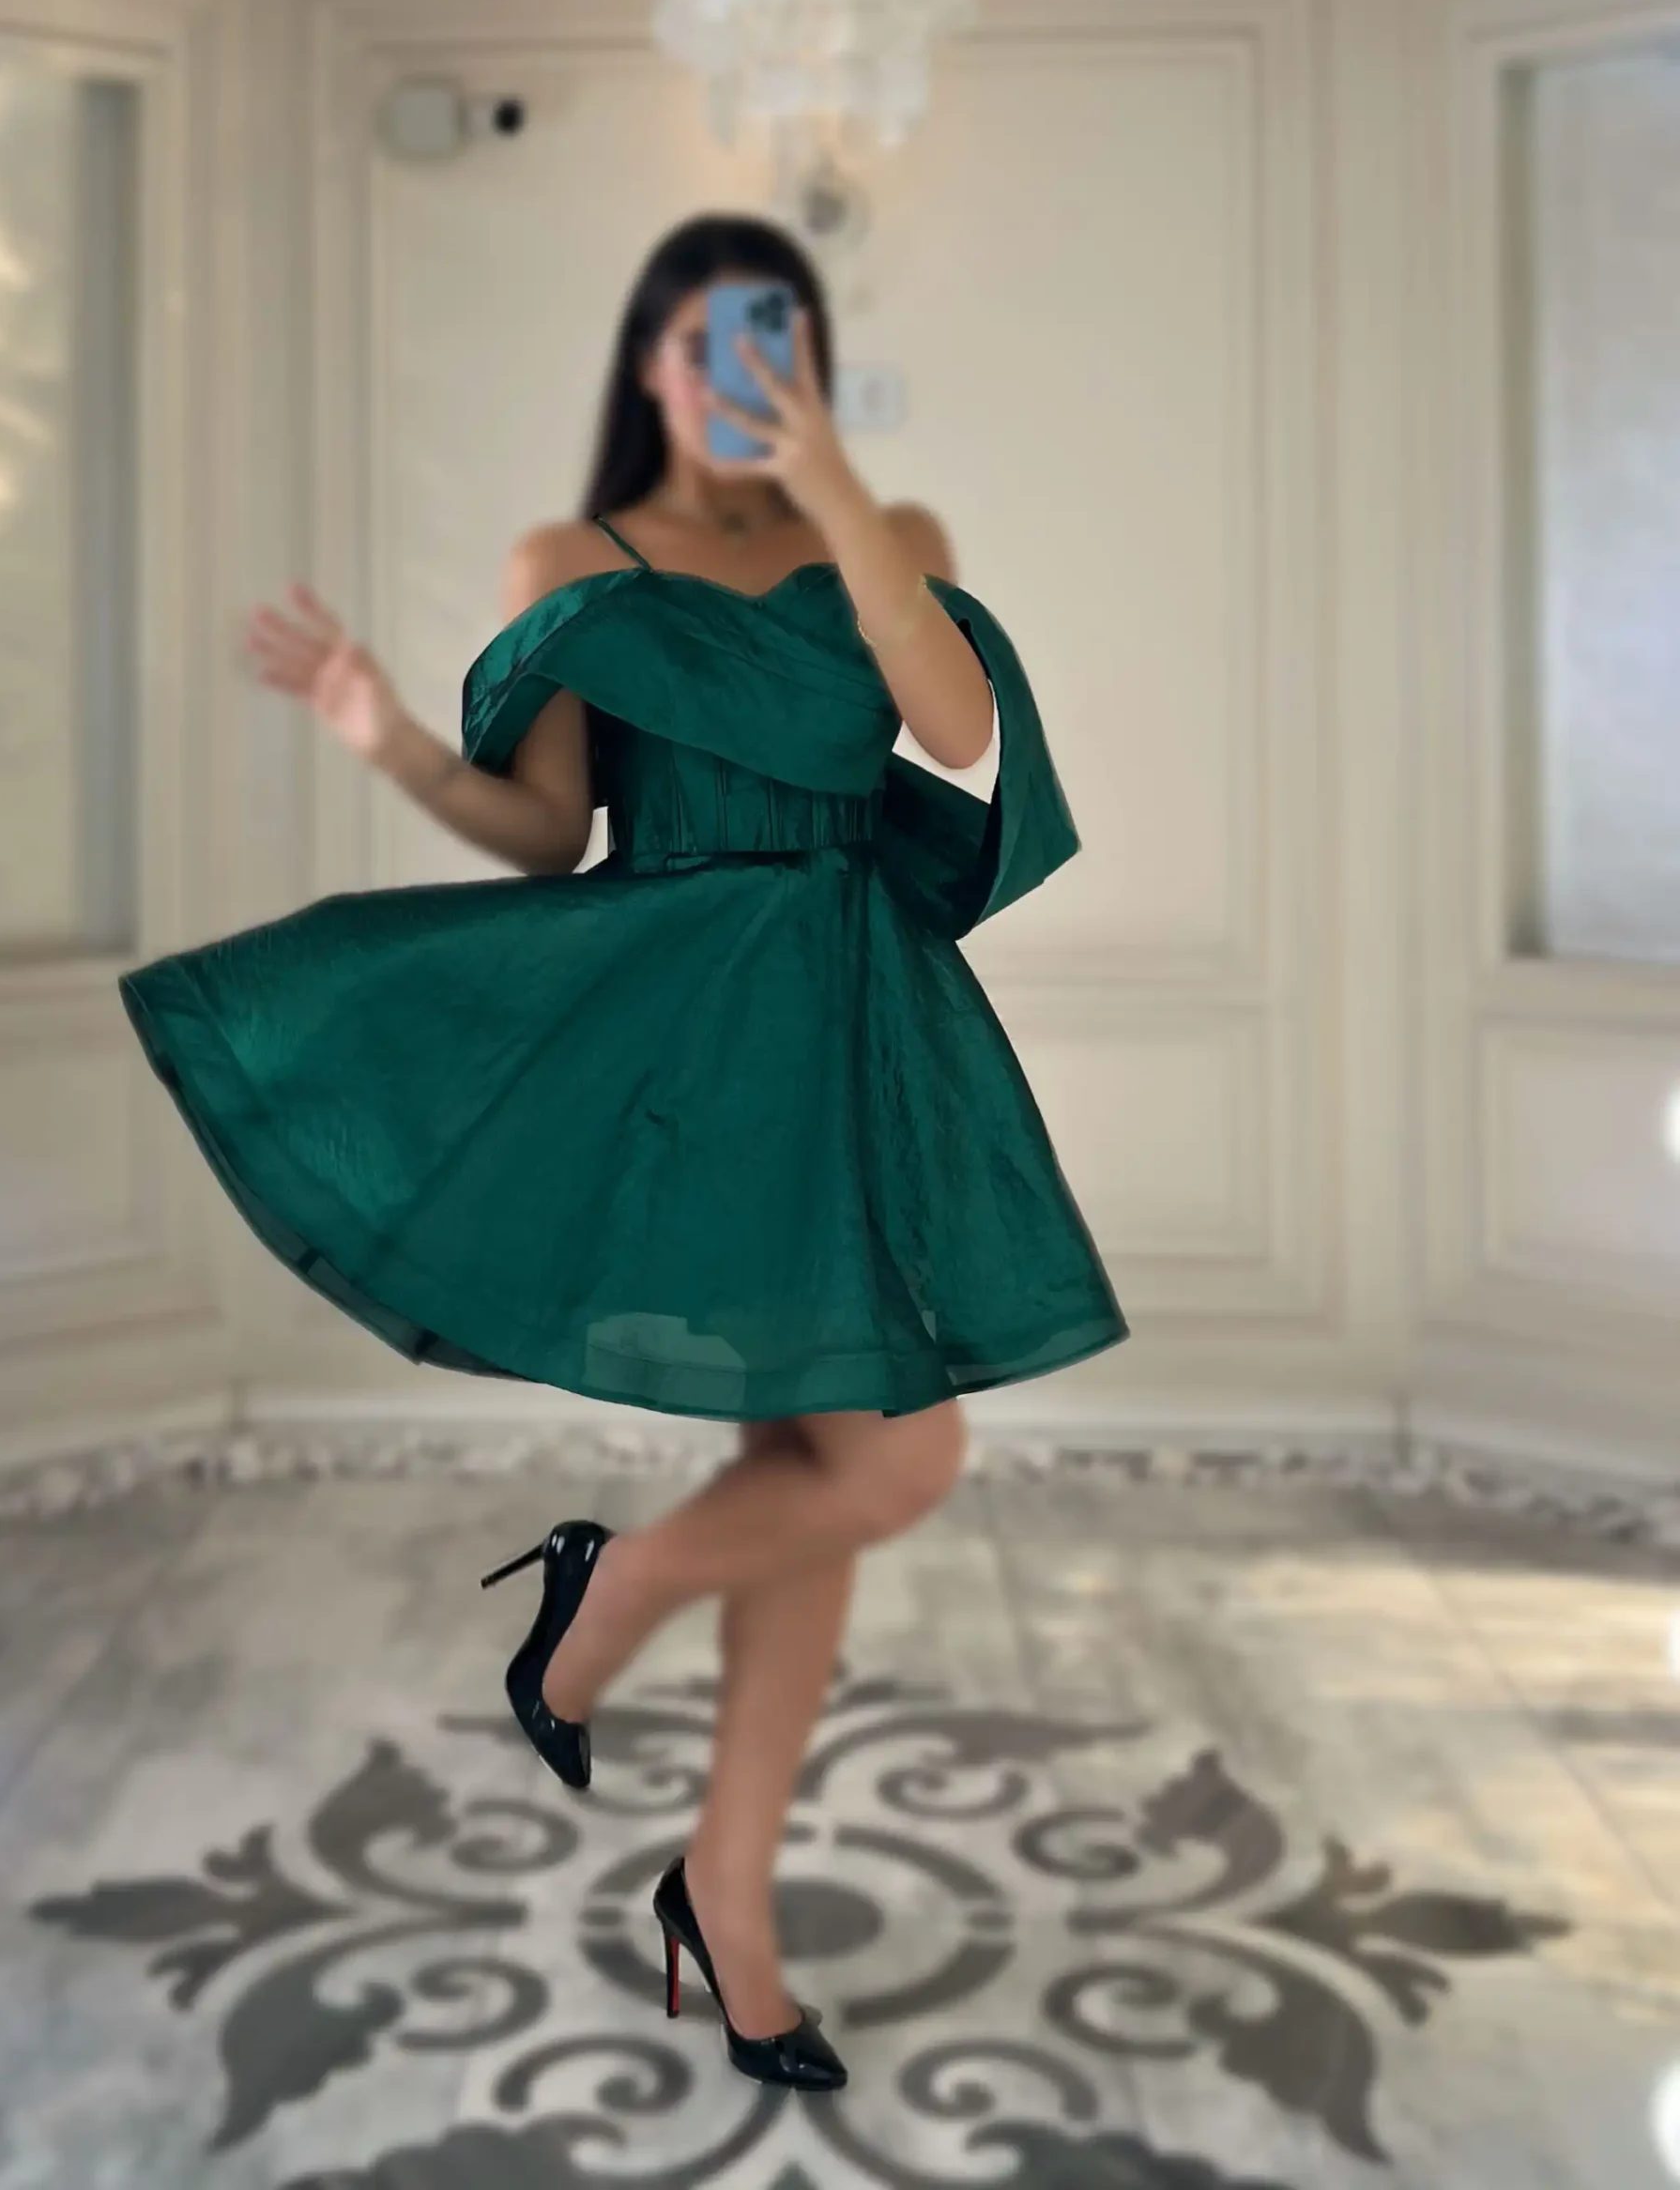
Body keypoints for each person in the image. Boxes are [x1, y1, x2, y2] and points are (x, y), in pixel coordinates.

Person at [118, 210, 1129, 2095]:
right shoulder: (572, 561)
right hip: (692, 1046)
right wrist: (387, 734)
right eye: (701, 338)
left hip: (865, 1039)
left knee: (831, 1461)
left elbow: (957, 728)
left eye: (770, 335)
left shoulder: (890, 531)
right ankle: (636, 1665)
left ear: (805, 356)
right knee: (885, 1455)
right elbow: (545, 832)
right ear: (649, 364)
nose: (733, 368)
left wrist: (833, 487)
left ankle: (712, 1873)